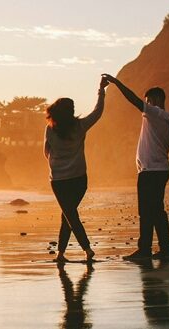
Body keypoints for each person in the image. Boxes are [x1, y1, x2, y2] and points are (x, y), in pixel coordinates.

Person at [102, 74, 169, 261]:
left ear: (156, 100)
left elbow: (133, 100)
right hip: (158, 169)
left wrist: (116, 83)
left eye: (148, 101)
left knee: (147, 211)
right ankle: (165, 248)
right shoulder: (167, 119)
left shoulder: (156, 114)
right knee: (156, 210)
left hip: (151, 171)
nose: (146, 105)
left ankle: (145, 250)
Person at [43, 76, 109, 263]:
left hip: (59, 181)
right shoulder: (80, 126)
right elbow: (98, 112)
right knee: (69, 214)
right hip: (79, 179)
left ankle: (87, 249)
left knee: (69, 214)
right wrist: (101, 91)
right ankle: (61, 254)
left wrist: (57, 162)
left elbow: (46, 152)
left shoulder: (50, 129)